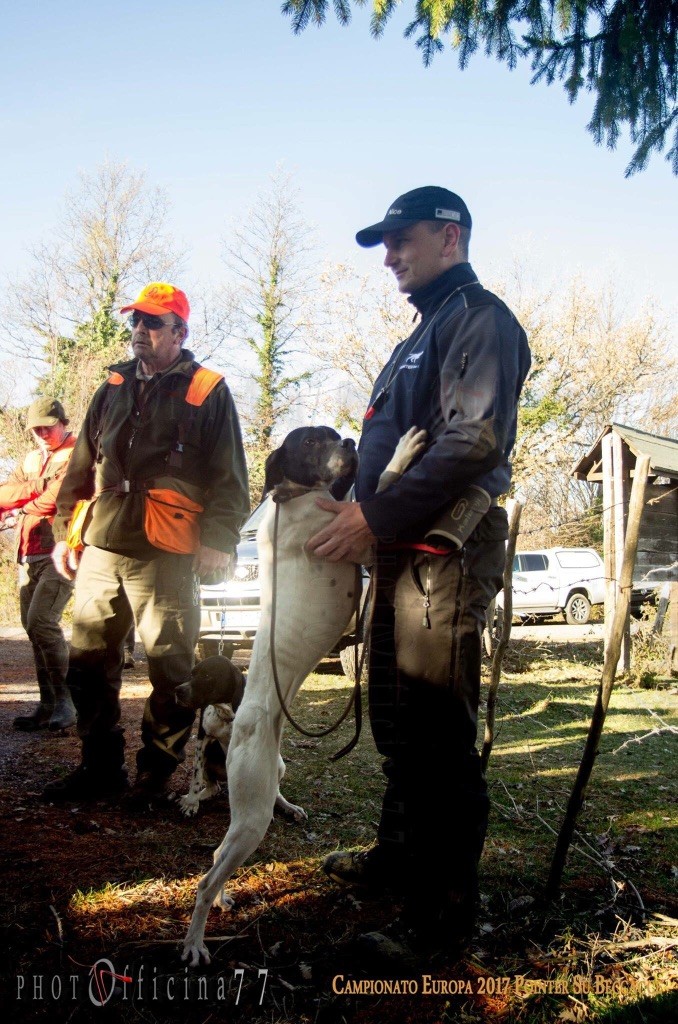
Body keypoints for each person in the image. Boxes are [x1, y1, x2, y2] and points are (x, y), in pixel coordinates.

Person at [307, 187, 531, 963]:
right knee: (400, 721)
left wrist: (376, 514)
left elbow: (472, 442)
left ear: (450, 234)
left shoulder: (479, 317)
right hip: (399, 551)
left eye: (400, 240)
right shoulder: (425, 330)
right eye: (384, 244)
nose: (389, 257)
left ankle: (439, 926)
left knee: (436, 734)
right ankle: (398, 861)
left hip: (444, 549)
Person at [43, 282, 249, 802]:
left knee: (171, 668)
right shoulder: (112, 385)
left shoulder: (208, 389)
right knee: (88, 661)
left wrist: (219, 541)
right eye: (136, 320)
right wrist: (68, 531)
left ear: (180, 331)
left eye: (153, 322)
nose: (140, 330)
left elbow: (231, 479)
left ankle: (155, 775)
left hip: (169, 550)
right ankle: (99, 768)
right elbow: (82, 465)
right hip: (104, 542)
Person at [0, 399, 78, 732]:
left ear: (63, 422)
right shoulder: (32, 459)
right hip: (26, 552)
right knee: (34, 630)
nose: (43, 434)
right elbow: (4, 493)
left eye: (49, 426)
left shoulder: (77, 453)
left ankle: (66, 703)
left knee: (42, 621)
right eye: (37, 429)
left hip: (59, 550)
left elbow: (61, 496)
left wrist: (23, 505)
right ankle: (47, 706)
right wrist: (34, 492)